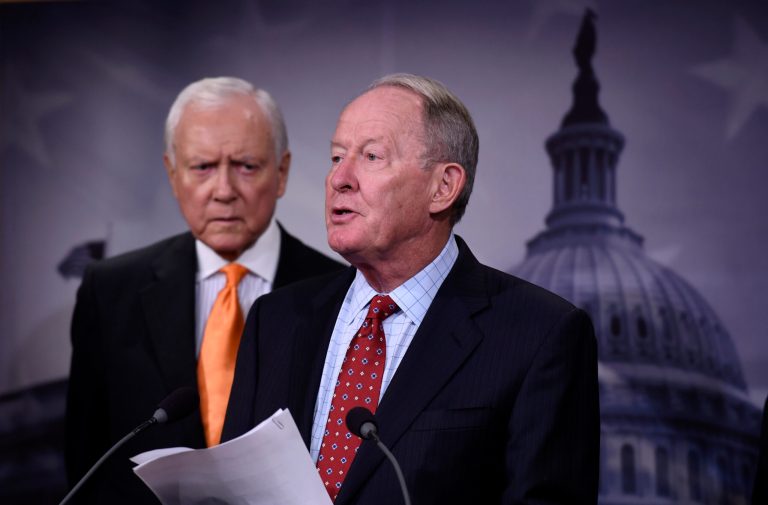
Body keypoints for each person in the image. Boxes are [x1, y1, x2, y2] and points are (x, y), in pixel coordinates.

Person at [222, 74, 599, 504]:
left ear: (443, 187)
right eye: (335, 157)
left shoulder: (539, 335)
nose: (339, 179)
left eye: (371, 156)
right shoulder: (276, 320)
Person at [65, 77, 344, 504]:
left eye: (246, 166)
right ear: (172, 174)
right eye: (202, 167)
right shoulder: (110, 290)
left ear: (282, 171)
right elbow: (86, 459)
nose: (224, 191)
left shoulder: (340, 291)